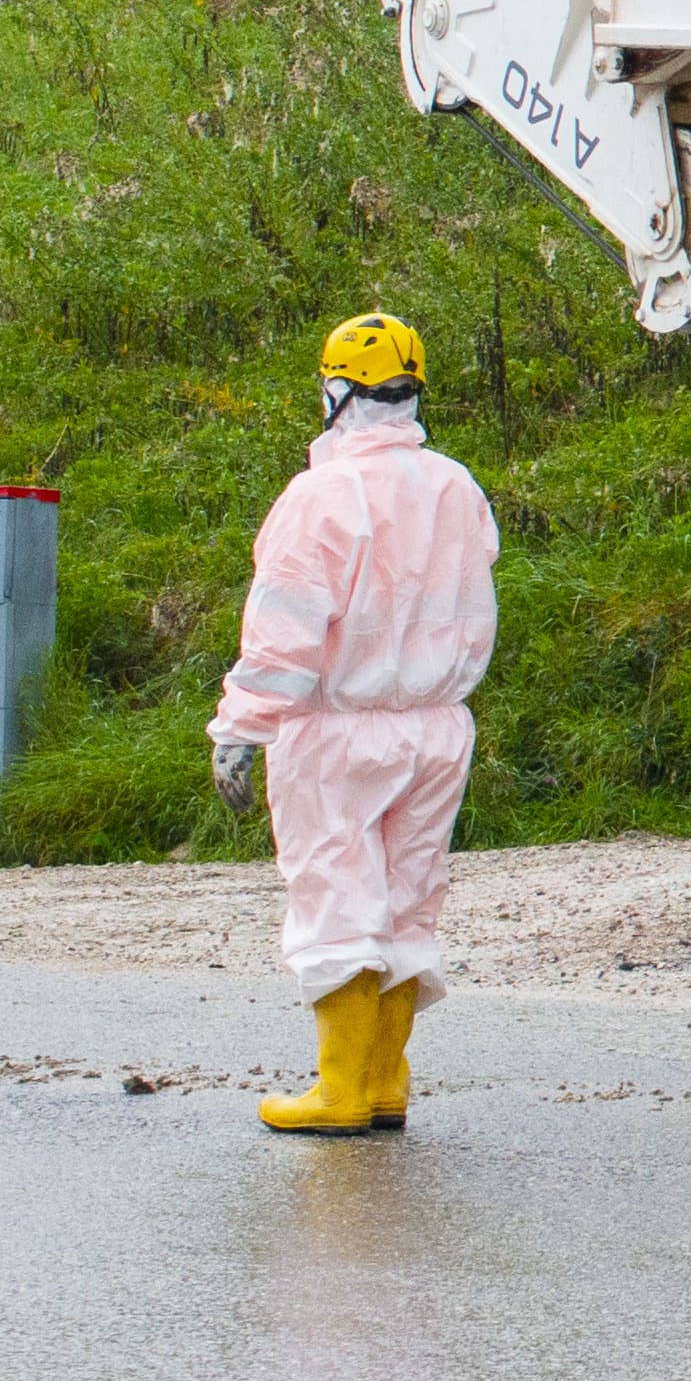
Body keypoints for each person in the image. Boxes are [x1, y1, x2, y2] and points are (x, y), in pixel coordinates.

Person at [206, 313, 500, 1137]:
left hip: (337, 732)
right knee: (410, 898)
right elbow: (473, 605)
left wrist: (242, 726)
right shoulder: (454, 485)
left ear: (335, 391)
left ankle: (339, 1089)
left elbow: (286, 625)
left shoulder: (321, 497)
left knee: (337, 893)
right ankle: (385, 1082)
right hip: (437, 728)